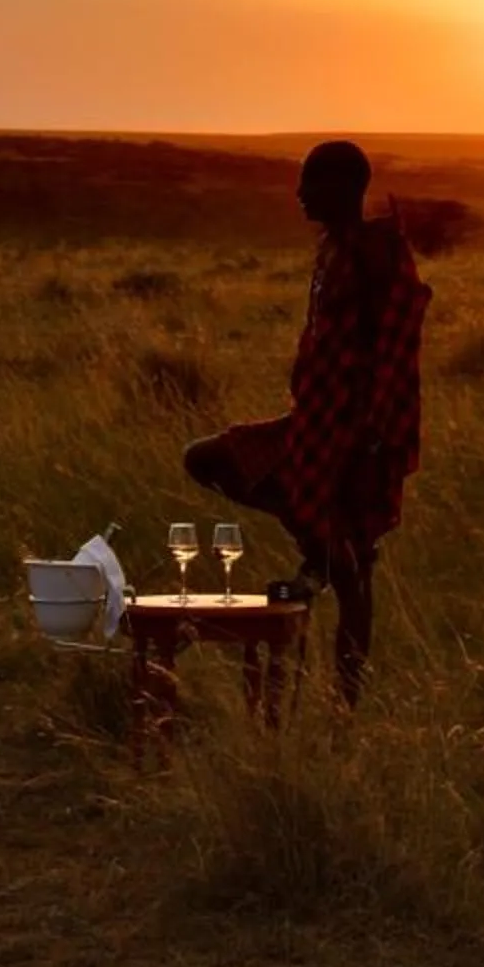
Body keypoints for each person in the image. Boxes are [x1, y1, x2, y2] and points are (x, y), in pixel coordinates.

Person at [183, 139, 430, 703]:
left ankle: (347, 705)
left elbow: (397, 349)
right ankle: (319, 546)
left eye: (309, 183)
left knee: (355, 574)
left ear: (343, 188)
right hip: (315, 422)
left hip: (358, 430)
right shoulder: (337, 250)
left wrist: (374, 430)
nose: (298, 195)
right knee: (208, 459)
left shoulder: (376, 254)